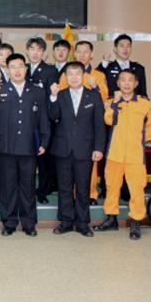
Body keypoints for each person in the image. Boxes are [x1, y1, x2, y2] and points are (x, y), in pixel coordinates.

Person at [0, 53, 50, 237]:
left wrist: (44, 141)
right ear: (7, 70)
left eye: (20, 66)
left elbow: (43, 119)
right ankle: (9, 222)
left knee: (28, 186)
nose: (17, 70)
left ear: (26, 68)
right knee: (8, 186)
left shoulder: (37, 91)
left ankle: (29, 223)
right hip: (5, 147)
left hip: (29, 145)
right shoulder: (0, 90)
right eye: (12, 67)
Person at [94, 69, 151, 240]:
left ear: (136, 84)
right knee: (111, 186)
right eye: (123, 80)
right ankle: (111, 218)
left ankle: (135, 221)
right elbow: (108, 120)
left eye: (130, 80)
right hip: (114, 153)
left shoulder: (145, 104)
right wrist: (115, 103)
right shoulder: (111, 102)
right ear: (118, 83)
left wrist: (141, 140)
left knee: (137, 188)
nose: (127, 83)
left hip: (135, 155)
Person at [48, 62, 105, 237]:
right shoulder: (60, 95)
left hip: (85, 149)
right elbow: (53, 116)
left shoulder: (94, 96)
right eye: (70, 74)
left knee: (83, 188)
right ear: (65, 77)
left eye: (77, 73)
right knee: (64, 187)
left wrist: (98, 148)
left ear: (83, 76)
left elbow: (99, 125)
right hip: (62, 148)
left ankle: (82, 223)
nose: (74, 77)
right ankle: (65, 221)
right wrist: (53, 97)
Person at [58, 40, 109, 204]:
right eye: (78, 52)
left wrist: (96, 88)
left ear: (91, 54)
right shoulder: (65, 74)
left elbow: (104, 102)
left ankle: (91, 195)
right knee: (66, 181)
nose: (82, 55)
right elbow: (60, 99)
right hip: (67, 136)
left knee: (87, 175)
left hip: (87, 133)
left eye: (85, 52)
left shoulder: (99, 76)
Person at [25, 37, 60, 205]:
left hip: (42, 120)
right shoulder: (22, 68)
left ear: (44, 53)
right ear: (27, 51)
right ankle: (27, 190)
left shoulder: (50, 70)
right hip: (25, 119)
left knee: (43, 159)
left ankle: (43, 191)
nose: (35, 53)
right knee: (26, 158)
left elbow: (51, 94)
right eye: (32, 49)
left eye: (39, 49)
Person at [98, 34, 148, 98]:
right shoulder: (107, 67)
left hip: (134, 103)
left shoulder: (139, 68)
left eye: (128, 46)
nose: (125, 49)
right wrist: (104, 62)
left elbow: (143, 94)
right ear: (115, 49)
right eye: (122, 46)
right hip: (113, 103)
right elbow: (97, 75)